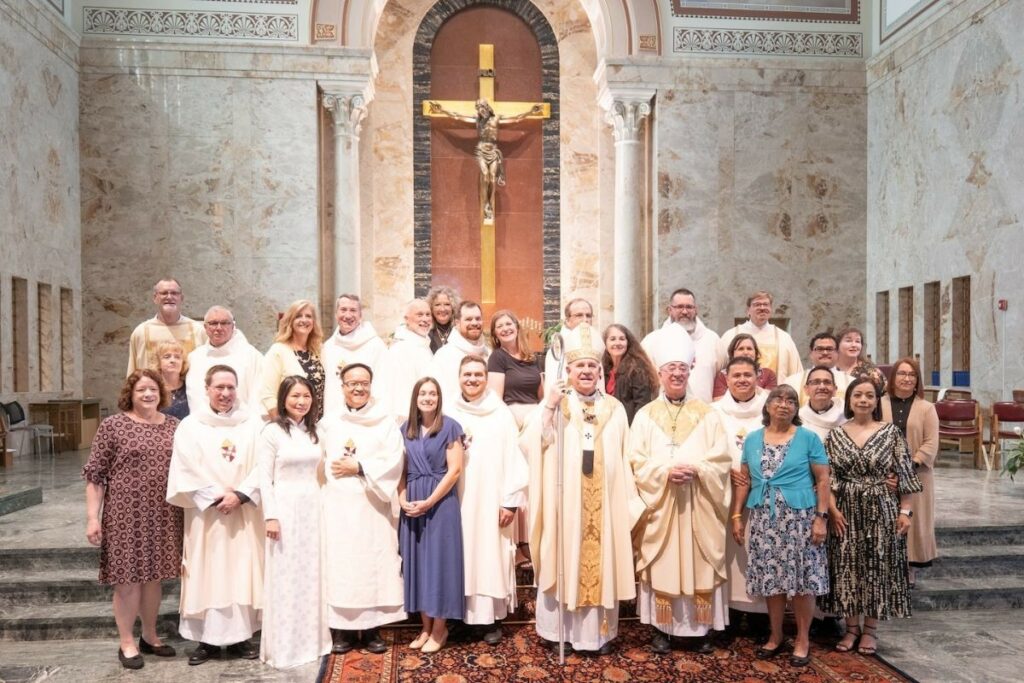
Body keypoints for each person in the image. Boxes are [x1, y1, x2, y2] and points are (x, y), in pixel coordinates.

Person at [521, 323, 642, 655]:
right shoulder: (557, 404)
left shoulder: (614, 409)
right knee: (563, 557)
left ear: (600, 372)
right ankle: (556, 631)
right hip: (566, 504)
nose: (586, 371)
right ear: (569, 370)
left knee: (598, 563)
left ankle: (596, 636)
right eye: (580, 366)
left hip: (604, 505)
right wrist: (548, 406)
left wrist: (627, 500)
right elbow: (531, 444)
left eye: (592, 366)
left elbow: (625, 454)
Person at [629, 324, 731, 654]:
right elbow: (635, 460)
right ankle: (662, 629)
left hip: (699, 504)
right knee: (663, 561)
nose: (677, 373)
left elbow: (721, 459)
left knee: (699, 559)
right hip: (663, 506)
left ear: (691, 371)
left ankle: (699, 631)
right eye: (671, 368)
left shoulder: (709, 415)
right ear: (660, 372)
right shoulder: (645, 416)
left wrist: (699, 470)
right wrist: (663, 473)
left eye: (682, 368)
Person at [83, 370, 183, 669]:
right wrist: (92, 517)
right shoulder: (113, 426)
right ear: (131, 393)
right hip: (125, 514)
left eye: (153, 389)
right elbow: (95, 475)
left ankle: (150, 636)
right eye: (141, 390)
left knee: (154, 579)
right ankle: (126, 640)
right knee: (127, 581)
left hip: (164, 513)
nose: (148, 395)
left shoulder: (174, 427)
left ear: (161, 394)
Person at [167, 365, 265, 665]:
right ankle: (207, 641)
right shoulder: (191, 426)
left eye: (231, 388)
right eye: (219, 387)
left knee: (241, 570)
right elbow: (184, 468)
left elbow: (265, 463)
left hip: (244, 513)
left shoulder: (253, 424)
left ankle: (242, 636)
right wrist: (213, 498)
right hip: (206, 517)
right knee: (207, 572)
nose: (225, 394)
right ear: (207, 388)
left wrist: (240, 495)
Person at [730, 384, 831, 667]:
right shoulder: (751, 439)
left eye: (791, 401)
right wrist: (737, 515)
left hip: (800, 520)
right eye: (778, 398)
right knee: (772, 581)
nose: (784, 404)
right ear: (767, 405)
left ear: (797, 408)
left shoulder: (809, 438)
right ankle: (775, 636)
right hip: (765, 520)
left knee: (801, 583)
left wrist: (821, 518)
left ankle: (802, 639)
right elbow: (745, 480)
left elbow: (823, 480)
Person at [821, 377, 922, 656]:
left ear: (877, 401)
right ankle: (851, 628)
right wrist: (832, 509)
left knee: (878, 566)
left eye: (869, 395)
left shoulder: (891, 433)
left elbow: (904, 476)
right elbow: (827, 478)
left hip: (882, 508)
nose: (863, 400)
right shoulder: (836, 434)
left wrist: (905, 511)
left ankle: (870, 631)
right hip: (845, 510)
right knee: (847, 566)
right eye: (858, 395)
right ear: (849, 400)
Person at [321, 363, 407, 654]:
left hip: (372, 505)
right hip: (338, 507)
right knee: (343, 565)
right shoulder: (329, 421)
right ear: (342, 386)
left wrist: (360, 467)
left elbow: (395, 460)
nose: (358, 388)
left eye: (364, 382)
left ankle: (371, 629)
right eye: (352, 383)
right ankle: (342, 631)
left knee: (372, 565)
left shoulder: (384, 421)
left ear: (371, 385)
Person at [447, 355, 528, 645]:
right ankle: (460, 617)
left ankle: (492, 619)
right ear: (459, 377)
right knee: (462, 556)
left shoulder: (500, 412)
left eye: (478, 375)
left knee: (490, 555)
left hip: (493, 499)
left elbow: (514, 457)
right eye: (466, 374)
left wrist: (509, 501)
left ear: (486, 378)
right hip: (457, 499)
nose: (472, 379)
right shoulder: (449, 411)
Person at [256, 376, 331, 668]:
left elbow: (322, 472)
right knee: (286, 576)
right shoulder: (272, 432)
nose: (301, 401)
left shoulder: (315, 432)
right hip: (284, 509)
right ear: (283, 399)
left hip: (313, 507)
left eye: (306, 396)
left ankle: (312, 641)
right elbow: (264, 477)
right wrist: (271, 516)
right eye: (295, 396)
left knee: (311, 574)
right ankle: (285, 646)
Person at [398, 377, 466, 653]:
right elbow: (400, 470)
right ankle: (424, 627)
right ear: (415, 398)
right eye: (423, 393)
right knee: (416, 564)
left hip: (439, 502)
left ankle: (440, 629)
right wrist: (403, 498)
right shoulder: (405, 429)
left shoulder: (450, 427)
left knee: (440, 565)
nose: (428, 398)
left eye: (433, 394)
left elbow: (455, 470)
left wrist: (429, 501)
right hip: (413, 501)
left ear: (439, 398)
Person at [713, 356, 769, 624]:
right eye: (736, 375)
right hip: (725, 492)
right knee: (731, 554)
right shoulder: (713, 411)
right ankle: (731, 613)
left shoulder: (771, 406)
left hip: (762, 493)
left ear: (758, 375)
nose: (742, 380)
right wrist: (726, 471)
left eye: (748, 375)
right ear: (726, 378)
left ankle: (760, 615)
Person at [883, 358, 939, 587]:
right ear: (893, 377)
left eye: (912, 375)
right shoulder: (879, 403)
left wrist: (906, 468)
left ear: (917, 381)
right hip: (883, 475)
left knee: (914, 522)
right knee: (885, 520)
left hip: (917, 475)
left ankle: (909, 567)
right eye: (902, 373)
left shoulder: (927, 408)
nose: (907, 378)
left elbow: (931, 443)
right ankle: (885, 567)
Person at [640, 288, 721, 402]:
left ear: (696, 310)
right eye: (679, 307)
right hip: (664, 412)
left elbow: (721, 378)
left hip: (704, 413)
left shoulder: (712, 340)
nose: (684, 312)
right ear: (669, 310)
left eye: (689, 307)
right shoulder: (651, 341)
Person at [185, 306, 264, 415]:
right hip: (203, 425)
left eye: (224, 323)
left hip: (241, 424)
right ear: (205, 327)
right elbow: (193, 395)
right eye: (213, 323)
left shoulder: (252, 356)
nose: (219, 328)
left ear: (233, 326)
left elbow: (257, 395)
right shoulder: (195, 357)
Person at [321, 293, 387, 416]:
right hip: (334, 416)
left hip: (366, 416)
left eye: (353, 310)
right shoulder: (328, 348)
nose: (348, 315)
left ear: (360, 316)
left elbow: (383, 385)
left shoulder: (375, 345)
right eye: (343, 310)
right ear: (336, 314)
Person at [260, 300, 325, 421]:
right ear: (290, 321)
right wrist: (282, 427)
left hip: (319, 425)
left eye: (308, 316)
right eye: (298, 316)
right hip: (290, 424)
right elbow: (267, 395)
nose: (304, 320)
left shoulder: (319, 350)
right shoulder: (278, 351)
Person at [127, 278, 206, 375]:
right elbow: (133, 374)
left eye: (174, 293)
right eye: (164, 293)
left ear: (181, 298)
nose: (169, 297)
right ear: (155, 298)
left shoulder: (197, 330)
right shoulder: (141, 332)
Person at [719, 290, 803, 380]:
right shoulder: (731, 335)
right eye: (757, 304)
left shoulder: (784, 338)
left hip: (776, 393)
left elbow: (796, 375)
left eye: (766, 304)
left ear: (771, 309)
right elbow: (720, 372)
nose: (762, 308)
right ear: (748, 310)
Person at [486, 309, 542, 428]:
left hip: (536, 417)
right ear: (495, 334)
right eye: (499, 326)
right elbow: (496, 400)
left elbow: (542, 395)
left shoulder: (532, 357)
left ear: (517, 327)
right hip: (513, 418)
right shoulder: (497, 357)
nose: (505, 329)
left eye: (508, 324)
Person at [380, 299, 434, 420]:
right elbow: (401, 395)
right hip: (410, 420)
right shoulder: (401, 349)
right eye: (419, 315)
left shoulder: (422, 344)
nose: (425, 319)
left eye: (428, 314)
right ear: (406, 319)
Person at [429, 300, 490, 401]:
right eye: (468, 319)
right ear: (457, 323)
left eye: (478, 319)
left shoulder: (489, 353)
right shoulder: (444, 355)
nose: (474, 323)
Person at [602, 324, 659, 425]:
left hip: (630, 427)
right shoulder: (604, 368)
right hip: (609, 426)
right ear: (605, 344)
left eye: (622, 339)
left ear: (628, 342)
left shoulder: (637, 369)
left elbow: (642, 404)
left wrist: (634, 429)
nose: (617, 343)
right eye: (612, 339)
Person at [783, 333, 850, 405]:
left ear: (837, 353)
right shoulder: (792, 382)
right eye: (819, 349)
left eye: (829, 349)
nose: (825, 352)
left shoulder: (850, 382)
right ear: (811, 353)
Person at [543, 297, 593, 393]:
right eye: (579, 315)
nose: (585, 320)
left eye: (588, 315)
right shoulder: (558, 349)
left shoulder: (595, 346)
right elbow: (553, 387)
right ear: (567, 320)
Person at [712, 333, 777, 400]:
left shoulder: (768, 374)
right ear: (732, 353)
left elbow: (770, 402)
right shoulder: (722, 376)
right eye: (741, 349)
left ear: (756, 352)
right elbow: (719, 402)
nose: (745, 352)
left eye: (749, 349)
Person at [798, 365, 848, 441]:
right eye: (816, 382)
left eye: (827, 382)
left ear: (835, 389)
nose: (822, 387)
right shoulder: (798, 419)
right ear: (806, 389)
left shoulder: (846, 416)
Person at [153, 340, 189, 420]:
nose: (172, 360)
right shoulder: (153, 389)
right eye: (167, 357)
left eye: (177, 357)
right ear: (159, 362)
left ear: (183, 363)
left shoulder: (190, 387)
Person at [426, 286, 459, 353]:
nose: (442, 309)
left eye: (447, 304)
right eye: (437, 305)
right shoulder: (425, 332)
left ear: (453, 307)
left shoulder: (460, 330)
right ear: (431, 308)